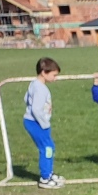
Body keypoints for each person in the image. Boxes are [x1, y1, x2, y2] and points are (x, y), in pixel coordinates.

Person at [23, 57, 64, 188]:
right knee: (47, 148)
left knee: (50, 147)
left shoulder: (34, 84)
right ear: (43, 72)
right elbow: (36, 109)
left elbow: (26, 98)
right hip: (36, 123)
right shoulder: (41, 88)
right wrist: (44, 123)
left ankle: (49, 173)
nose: (55, 78)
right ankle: (45, 178)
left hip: (35, 122)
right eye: (54, 75)